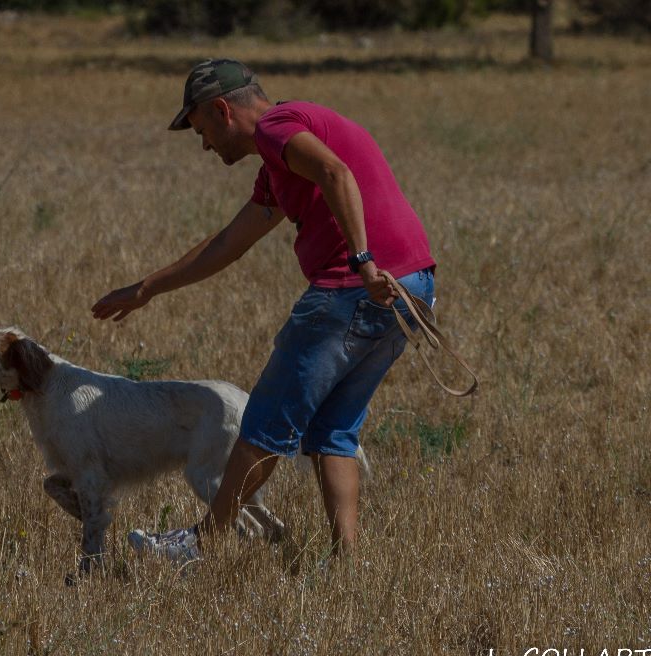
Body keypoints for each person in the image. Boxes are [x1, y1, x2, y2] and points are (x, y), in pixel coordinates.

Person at [90, 58, 436, 564]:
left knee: (267, 424)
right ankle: (348, 562)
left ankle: (200, 545)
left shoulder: (278, 127)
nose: (206, 145)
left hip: (356, 286)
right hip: (411, 285)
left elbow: (334, 171)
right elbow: (229, 243)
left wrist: (361, 260)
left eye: (202, 130)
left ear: (222, 109)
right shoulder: (278, 168)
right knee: (332, 431)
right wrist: (149, 288)